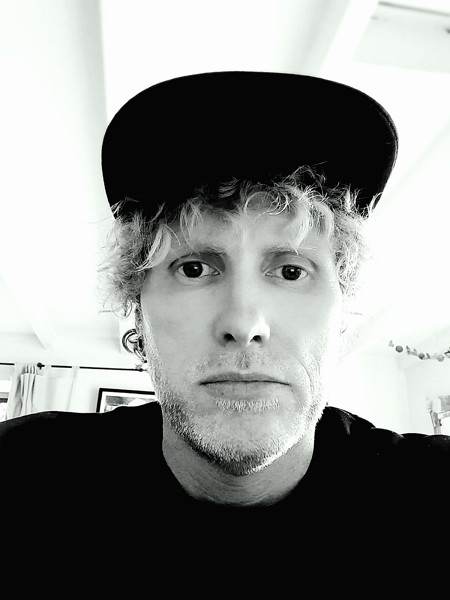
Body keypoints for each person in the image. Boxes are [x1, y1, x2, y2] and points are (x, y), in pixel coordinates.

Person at [1, 73, 449, 546]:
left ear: (341, 318)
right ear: (137, 312)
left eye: (291, 271)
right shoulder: (21, 472)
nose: (243, 323)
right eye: (194, 269)